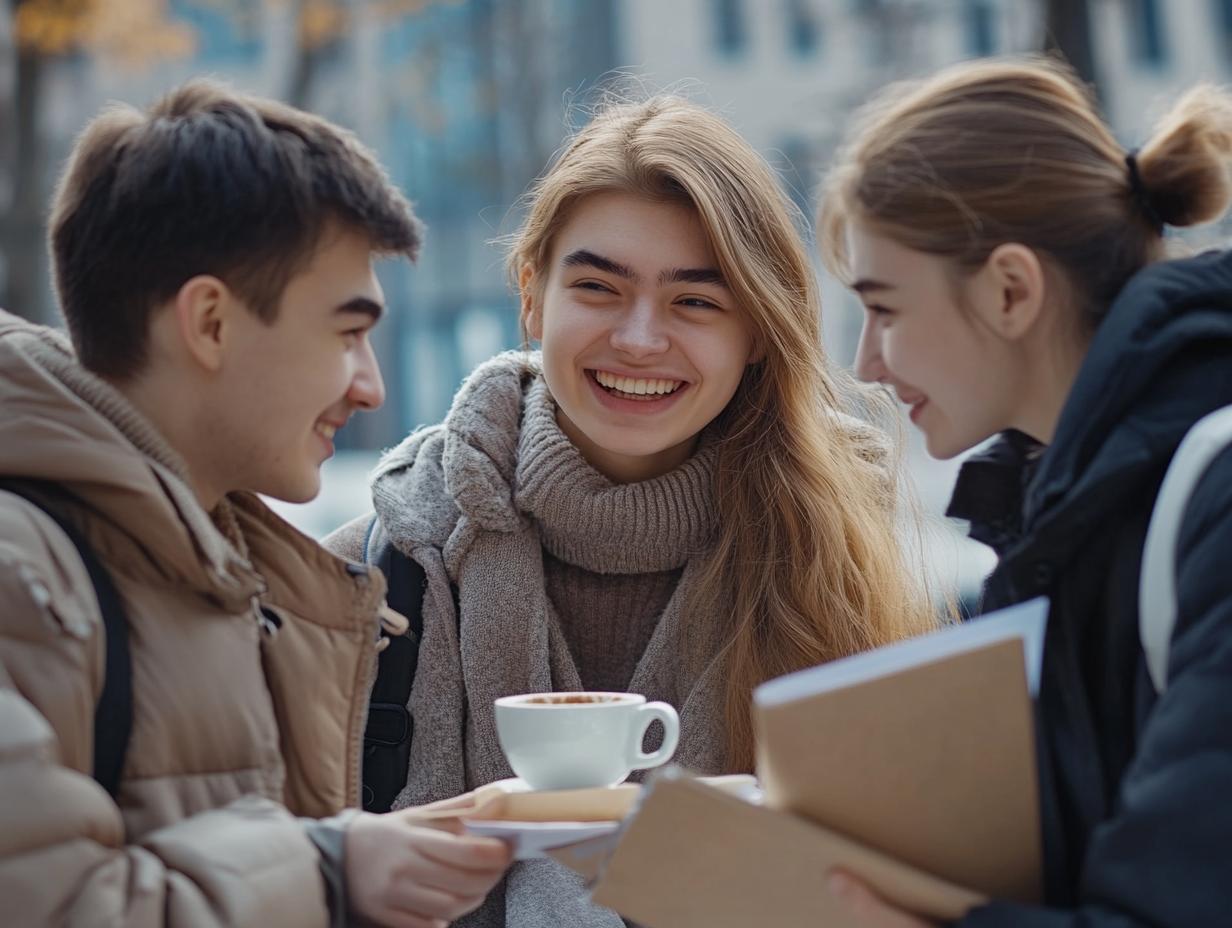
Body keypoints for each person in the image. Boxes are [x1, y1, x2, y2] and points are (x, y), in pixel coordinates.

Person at [325, 94, 938, 927]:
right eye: (598, 288)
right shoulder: (376, 576)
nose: (640, 339)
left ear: (756, 331)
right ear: (533, 297)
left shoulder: (844, 564)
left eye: (695, 301)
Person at [0, 81, 510, 928]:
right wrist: (325, 869)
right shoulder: (24, 574)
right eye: (347, 333)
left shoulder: (220, 566)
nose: (371, 387)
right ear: (209, 323)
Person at [816, 57, 1232, 927]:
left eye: (884, 308)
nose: (866, 363)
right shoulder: (1059, 515)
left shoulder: (1213, 502)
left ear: (1011, 289)